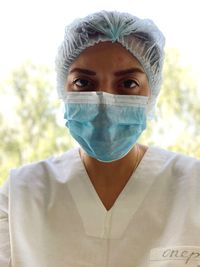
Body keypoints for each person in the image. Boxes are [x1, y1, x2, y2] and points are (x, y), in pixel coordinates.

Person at [0, 10, 200, 267]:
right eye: (83, 82)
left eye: (128, 84)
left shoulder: (194, 187)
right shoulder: (21, 194)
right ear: (64, 89)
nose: (104, 99)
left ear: (151, 92)